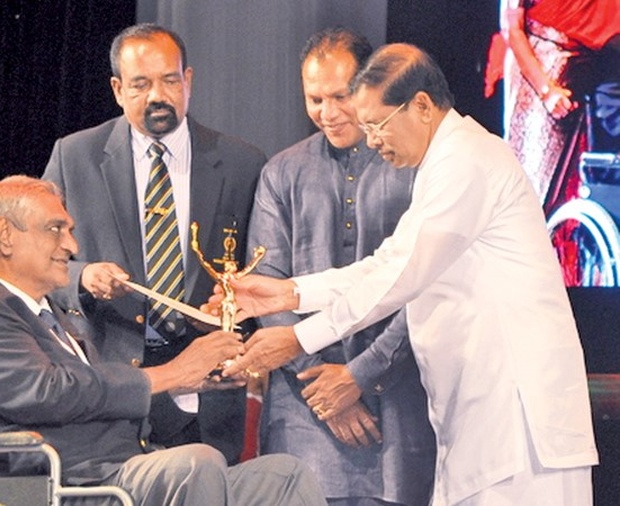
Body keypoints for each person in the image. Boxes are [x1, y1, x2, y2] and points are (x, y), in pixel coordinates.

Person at [215, 43, 598, 505]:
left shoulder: (467, 161)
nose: (371, 140)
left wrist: (299, 338)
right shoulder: (442, 165)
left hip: (518, 421)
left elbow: (402, 275)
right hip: (484, 421)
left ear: (420, 105)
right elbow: (386, 262)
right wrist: (287, 294)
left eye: (376, 124)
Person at [0, 175, 324, 506]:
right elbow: (41, 391)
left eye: (70, 231)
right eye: (55, 229)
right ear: (5, 235)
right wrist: (169, 373)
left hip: (120, 471)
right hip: (57, 481)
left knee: (283, 476)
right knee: (194, 464)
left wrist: (191, 383)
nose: (72, 246)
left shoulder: (57, 315)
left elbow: (100, 398)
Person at [42, 23, 266, 463]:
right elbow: (35, 261)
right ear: (117, 89)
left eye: (169, 80)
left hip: (210, 390)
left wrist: (234, 314)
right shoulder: (75, 156)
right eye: (141, 84)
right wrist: (83, 277)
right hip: (110, 388)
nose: (157, 96)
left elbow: (262, 273)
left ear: (189, 81)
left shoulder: (243, 163)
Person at [247, 29, 435, 506]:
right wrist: (322, 387)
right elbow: (268, 290)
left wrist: (359, 377)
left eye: (340, 96)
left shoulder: (416, 166)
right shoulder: (282, 171)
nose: (327, 113)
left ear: (371, 87)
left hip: (401, 396)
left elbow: (424, 284)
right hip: (304, 405)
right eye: (314, 99)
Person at [485, 0, 620, 214]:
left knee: (571, 187)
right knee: (533, 174)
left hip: (582, 71)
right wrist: (546, 90)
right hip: (540, 70)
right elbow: (512, 30)